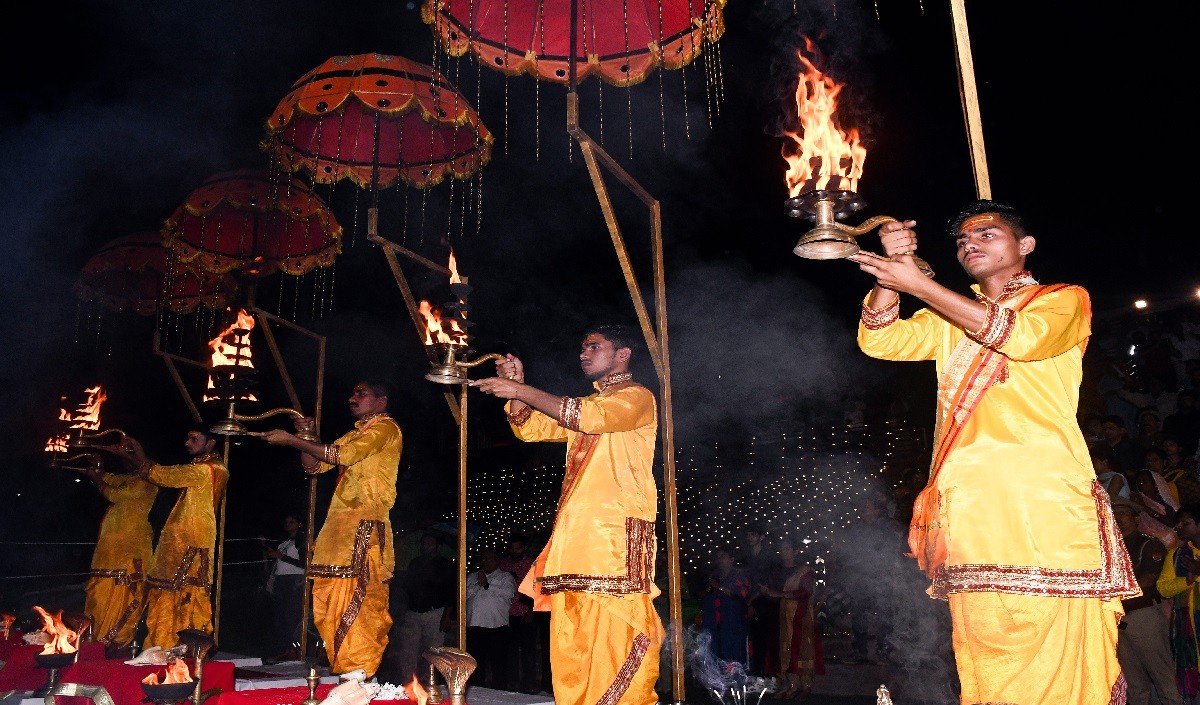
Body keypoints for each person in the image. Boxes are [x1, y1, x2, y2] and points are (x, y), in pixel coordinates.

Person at [849, 199, 1138, 705]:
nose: (970, 243)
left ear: (1025, 247)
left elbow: (1022, 338)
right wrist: (892, 280)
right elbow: (881, 340)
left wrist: (921, 285)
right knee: (983, 642)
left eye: (987, 234)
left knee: (1055, 634)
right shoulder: (946, 317)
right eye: (962, 240)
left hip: (1043, 500)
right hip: (970, 503)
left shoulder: (1063, 299)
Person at [471, 323, 664, 705]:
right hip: (575, 540)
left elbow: (587, 416)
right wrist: (518, 390)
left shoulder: (636, 398)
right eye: (582, 347)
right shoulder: (587, 406)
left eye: (594, 346)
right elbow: (531, 427)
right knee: (572, 642)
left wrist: (519, 389)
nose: (583, 353)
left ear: (623, 354)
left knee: (616, 637)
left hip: (613, 540)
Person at [260, 380, 402, 680]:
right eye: (352, 393)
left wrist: (292, 440)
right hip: (336, 532)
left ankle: (359, 678)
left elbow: (341, 456)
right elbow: (314, 466)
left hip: (363, 528)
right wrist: (305, 435)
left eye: (361, 393)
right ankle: (345, 674)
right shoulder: (353, 433)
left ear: (381, 401)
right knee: (328, 602)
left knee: (359, 605)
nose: (353, 398)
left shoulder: (385, 429)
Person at [120, 427, 229, 651]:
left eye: (194, 439)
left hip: (192, 541)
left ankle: (184, 653)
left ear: (211, 443)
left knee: (186, 597)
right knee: (166, 594)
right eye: (188, 438)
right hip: (179, 540)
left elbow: (164, 475)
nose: (187, 443)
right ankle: (160, 647)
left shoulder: (209, 470)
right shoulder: (199, 468)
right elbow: (165, 472)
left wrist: (137, 454)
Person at [76, 452, 158, 653]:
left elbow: (112, 494)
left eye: (130, 458)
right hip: (109, 551)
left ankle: (115, 644)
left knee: (123, 596)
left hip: (130, 550)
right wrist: (98, 468)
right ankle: (92, 640)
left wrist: (96, 478)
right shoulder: (129, 479)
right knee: (99, 594)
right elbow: (109, 478)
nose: (126, 461)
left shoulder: (146, 482)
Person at [1111, 497, 1181, 705]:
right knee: (1133, 683)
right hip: (1119, 618)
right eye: (1114, 515)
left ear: (1136, 518)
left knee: (1163, 676)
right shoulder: (1111, 549)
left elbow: (1149, 579)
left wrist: (1115, 596)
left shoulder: (1148, 543)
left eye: (1123, 514)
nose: (1118, 519)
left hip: (1143, 616)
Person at [761, 538, 822, 699]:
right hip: (782, 616)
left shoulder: (804, 570)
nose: (784, 552)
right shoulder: (777, 571)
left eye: (788, 549)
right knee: (786, 650)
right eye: (782, 549)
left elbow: (806, 592)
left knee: (803, 648)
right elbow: (772, 593)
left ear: (795, 551)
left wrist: (779, 594)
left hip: (801, 615)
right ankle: (792, 684)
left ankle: (806, 684)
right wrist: (767, 592)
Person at [394, 532, 455, 685]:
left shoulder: (446, 565)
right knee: (408, 650)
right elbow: (406, 587)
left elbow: (452, 591)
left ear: (438, 547)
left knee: (434, 651)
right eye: (424, 543)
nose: (426, 546)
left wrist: (447, 615)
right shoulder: (415, 563)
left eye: (430, 543)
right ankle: (408, 683)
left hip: (435, 613)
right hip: (413, 612)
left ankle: (431, 684)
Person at [1157, 502, 1200, 702]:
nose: (1179, 527)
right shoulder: (1177, 555)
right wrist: (1188, 580)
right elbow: (1163, 588)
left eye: (1186, 522)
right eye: (1179, 523)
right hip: (1189, 626)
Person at [466, 546, 517, 690]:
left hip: (497, 627)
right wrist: (479, 584)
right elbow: (464, 595)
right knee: (476, 664)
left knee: (498, 664)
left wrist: (487, 584)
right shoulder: (472, 577)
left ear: (497, 560)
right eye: (483, 558)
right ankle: (476, 693)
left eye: (488, 558)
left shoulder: (505, 577)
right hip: (475, 626)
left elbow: (508, 593)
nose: (484, 561)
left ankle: (499, 693)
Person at [497, 532, 541, 694]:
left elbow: (538, 590)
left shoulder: (532, 564)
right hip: (507, 614)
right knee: (510, 651)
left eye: (518, 548)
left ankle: (529, 685)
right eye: (512, 548)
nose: (515, 551)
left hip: (525, 613)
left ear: (524, 548)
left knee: (528, 651)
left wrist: (531, 610)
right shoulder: (503, 564)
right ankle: (512, 684)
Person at [264, 512, 307, 664]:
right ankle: (285, 649)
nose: (288, 524)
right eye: (286, 521)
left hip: (294, 580)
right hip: (282, 580)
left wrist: (281, 556)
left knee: (291, 615)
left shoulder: (302, 539)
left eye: (291, 521)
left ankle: (294, 650)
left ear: (299, 524)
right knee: (281, 616)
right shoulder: (286, 541)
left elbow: (304, 563)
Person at [700, 547, 751, 665]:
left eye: (723, 557)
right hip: (714, 623)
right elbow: (703, 595)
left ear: (731, 559)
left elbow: (742, 594)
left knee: (733, 655)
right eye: (718, 557)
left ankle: (736, 681)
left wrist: (719, 587)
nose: (719, 560)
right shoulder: (714, 575)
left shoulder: (739, 575)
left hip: (733, 622)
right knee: (714, 655)